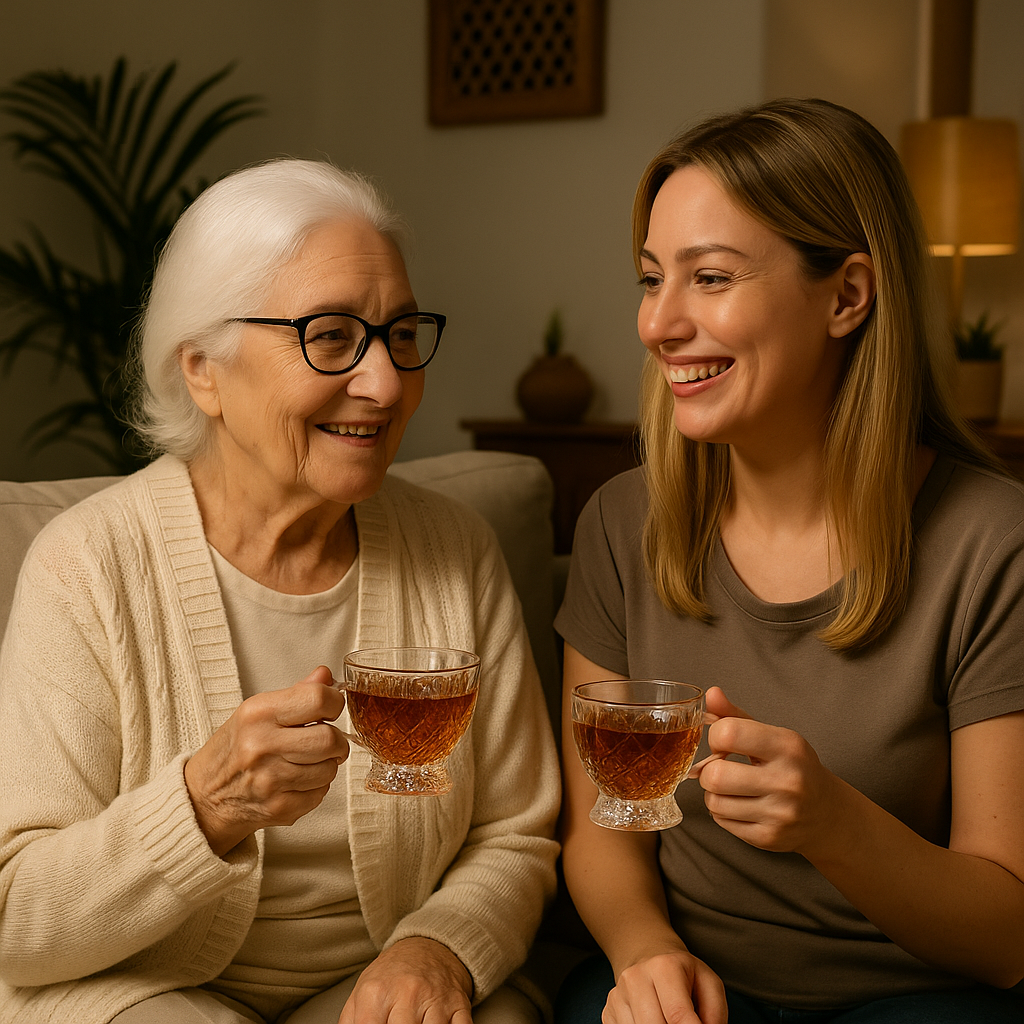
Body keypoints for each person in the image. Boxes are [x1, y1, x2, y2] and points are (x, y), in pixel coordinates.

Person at [0, 159, 560, 1024]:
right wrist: (205, 803)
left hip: (372, 984)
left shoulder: (456, 551)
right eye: (331, 336)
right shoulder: (87, 567)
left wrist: (436, 946)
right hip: (140, 989)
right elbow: (18, 916)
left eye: (401, 334)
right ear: (204, 370)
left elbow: (516, 832)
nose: (383, 383)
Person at [553, 99, 1024, 1024]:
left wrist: (833, 824)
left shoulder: (994, 544)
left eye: (712, 277)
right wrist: (645, 954)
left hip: (917, 999)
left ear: (848, 296)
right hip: (690, 981)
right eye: (653, 280)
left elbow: (1008, 936)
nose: (659, 324)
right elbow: (605, 831)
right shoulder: (621, 523)